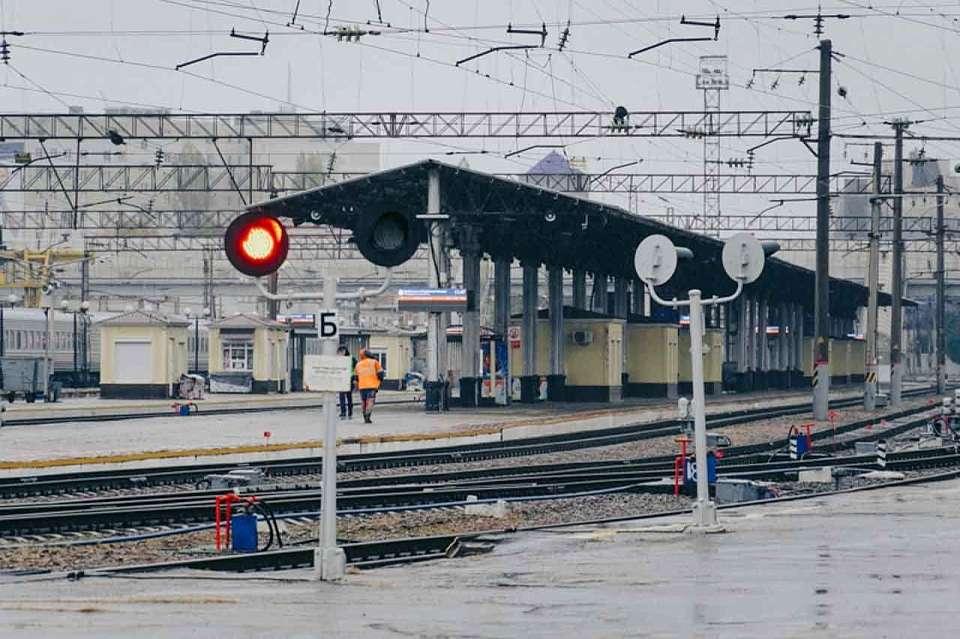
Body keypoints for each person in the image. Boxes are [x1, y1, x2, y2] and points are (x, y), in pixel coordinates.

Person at [354, 349, 384, 424]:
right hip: (372, 385)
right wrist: (380, 381)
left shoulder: (358, 364)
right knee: (370, 401)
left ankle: (364, 416)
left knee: (363, 402)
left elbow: (356, 378)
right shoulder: (375, 362)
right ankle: (368, 416)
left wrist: (356, 386)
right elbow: (380, 374)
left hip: (362, 386)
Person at [336, 346, 356, 419]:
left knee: (349, 396)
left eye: (341, 352)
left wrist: (354, 379)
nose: (340, 353)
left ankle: (350, 412)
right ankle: (343, 412)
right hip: (342, 379)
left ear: (344, 351)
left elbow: (355, 370)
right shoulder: (340, 360)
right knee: (341, 397)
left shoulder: (351, 359)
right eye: (339, 352)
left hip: (350, 379)